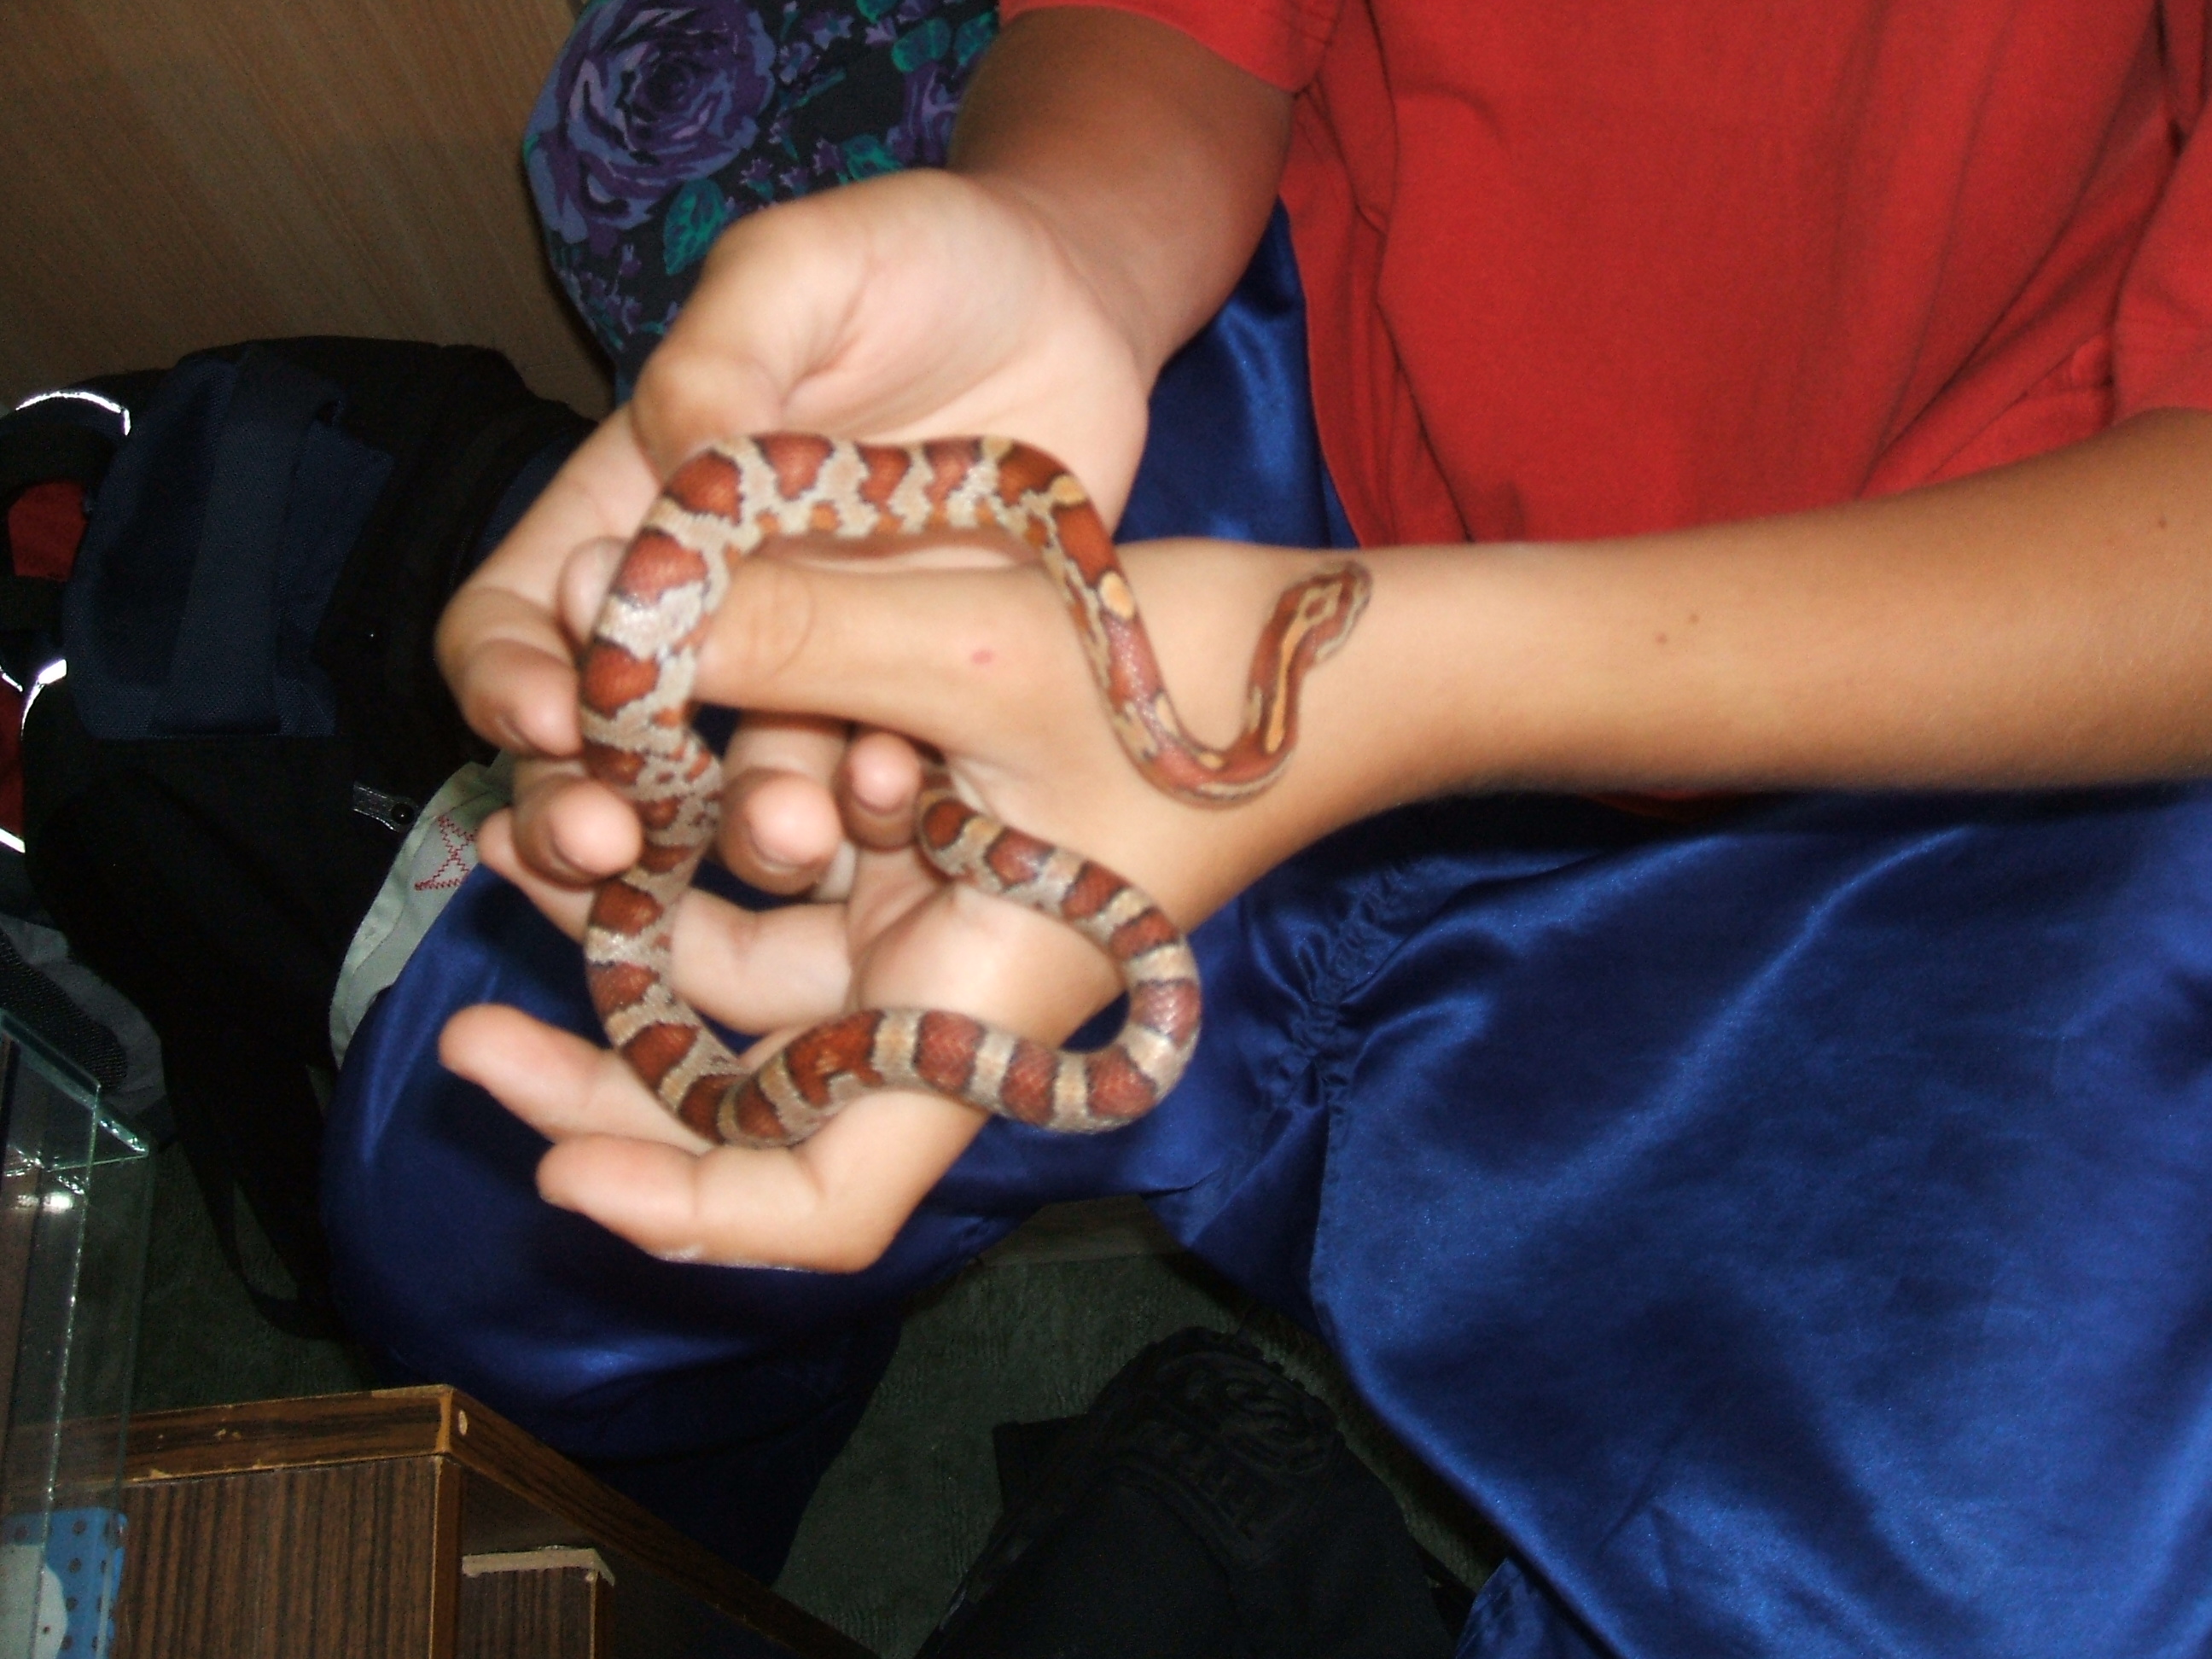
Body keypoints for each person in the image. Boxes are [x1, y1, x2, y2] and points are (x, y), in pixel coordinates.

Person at [341, 3, 2212, 1651]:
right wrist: (1067, 239)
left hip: (2002, 682)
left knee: (1960, 1583)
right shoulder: (1159, 608)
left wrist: (1399, 684)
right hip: (1287, 387)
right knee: (482, 1189)